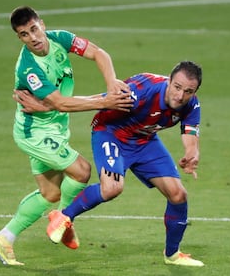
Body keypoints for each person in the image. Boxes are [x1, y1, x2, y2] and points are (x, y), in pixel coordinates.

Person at [0, 6, 133, 266]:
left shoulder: (60, 38)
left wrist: (111, 84)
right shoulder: (29, 68)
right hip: (35, 133)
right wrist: (105, 101)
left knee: (49, 193)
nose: (32, 37)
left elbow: (98, 53)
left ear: (42, 24)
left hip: (54, 128)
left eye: (34, 29)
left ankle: (4, 238)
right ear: (19, 38)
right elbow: (61, 103)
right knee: (82, 171)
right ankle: (64, 219)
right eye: (24, 34)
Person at [21, 60, 205, 267]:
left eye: (188, 91)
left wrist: (192, 153)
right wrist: (48, 105)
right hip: (111, 133)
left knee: (178, 194)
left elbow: (190, 133)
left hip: (144, 140)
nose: (180, 96)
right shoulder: (142, 91)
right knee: (112, 188)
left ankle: (172, 255)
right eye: (177, 87)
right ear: (169, 81)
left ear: (195, 91)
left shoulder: (191, 104)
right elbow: (98, 100)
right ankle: (63, 215)